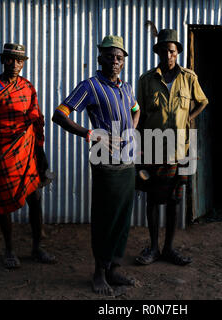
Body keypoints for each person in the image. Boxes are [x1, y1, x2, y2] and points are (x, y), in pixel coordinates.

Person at [52, 35, 140, 295]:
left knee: (123, 218)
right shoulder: (90, 86)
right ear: (100, 58)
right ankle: (99, 273)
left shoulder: (126, 87)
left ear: (124, 62)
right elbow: (60, 114)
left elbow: (136, 109)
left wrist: (131, 130)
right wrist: (90, 134)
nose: (115, 61)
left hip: (127, 163)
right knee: (105, 218)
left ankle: (114, 269)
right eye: (110, 56)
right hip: (105, 164)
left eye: (119, 57)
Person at [0, 43, 56, 269]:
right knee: (4, 202)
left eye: (19, 60)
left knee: (35, 199)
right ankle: (9, 249)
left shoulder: (28, 87)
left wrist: (40, 155)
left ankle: (37, 247)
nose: (15, 64)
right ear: (3, 60)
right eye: (10, 59)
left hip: (27, 150)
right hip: (2, 151)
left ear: (24, 63)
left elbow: (36, 122)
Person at [135, 29, 209, 266]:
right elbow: (140, 115)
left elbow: (203, 101)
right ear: (157, 52)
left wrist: (190, 118)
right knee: (154, 200)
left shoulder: (189, 78)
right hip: (154, 147)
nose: (168, 55)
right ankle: (153, 248)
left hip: (181, 150)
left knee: (176, 199)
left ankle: (169, 249)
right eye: (164, 50)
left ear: (177, 53)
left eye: (172, 51)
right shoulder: (146, 80)